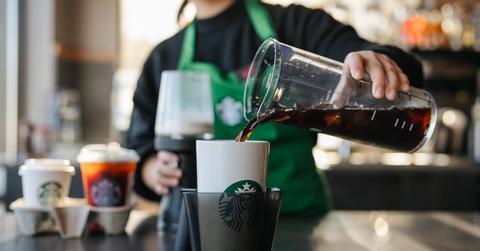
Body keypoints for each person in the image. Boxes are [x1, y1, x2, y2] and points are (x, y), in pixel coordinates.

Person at [126, 0, 423, 215]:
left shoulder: (295, 25)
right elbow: (139, 152)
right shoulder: (164, 57)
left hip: (300, 221)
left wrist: (376, 61)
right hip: (205, 229)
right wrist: (155, 171)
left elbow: (369, 56)